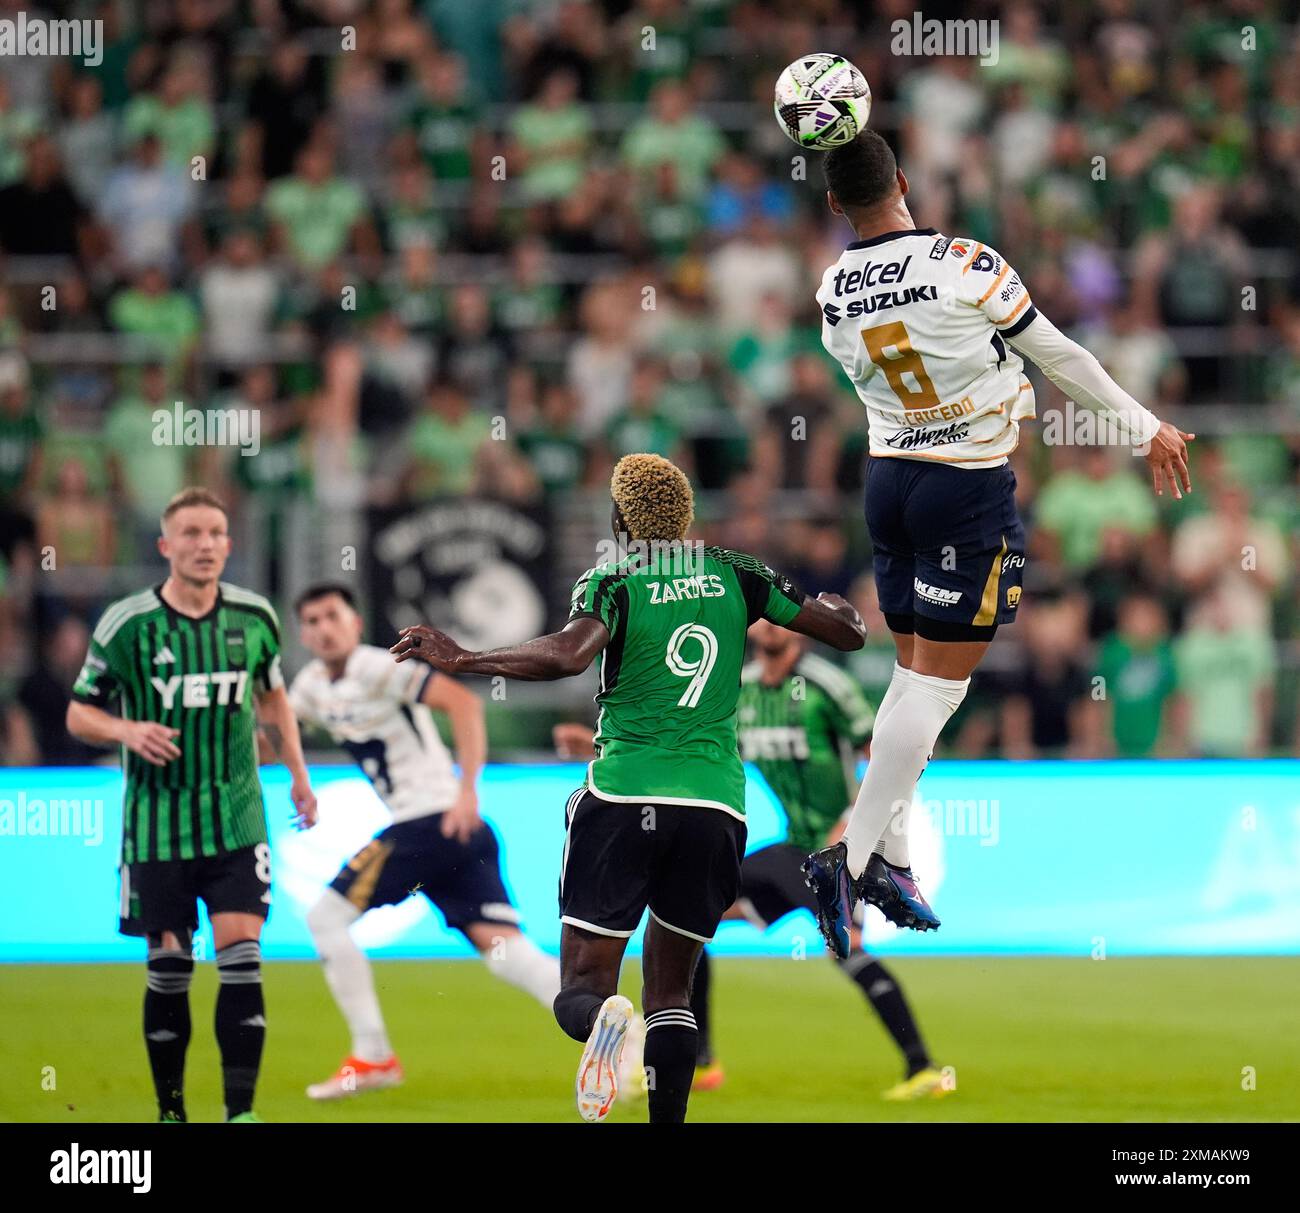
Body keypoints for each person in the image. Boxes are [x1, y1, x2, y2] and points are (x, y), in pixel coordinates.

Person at [802, 132, 1194, 957]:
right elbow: (1059, 355)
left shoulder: (833, 288)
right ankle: (850, 854)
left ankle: (893, 858)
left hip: (889, 487)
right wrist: (1145, 425)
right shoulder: (964, 262)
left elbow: (874, 385)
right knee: (938, 695)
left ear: (835, 204)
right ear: (904, 180)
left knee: (910, 680)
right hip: (964, 491)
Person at [389, 453, 866, 1123]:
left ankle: (606, 1018)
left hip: (623, 794)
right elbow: (844, 632)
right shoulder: (739, 572)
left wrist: (466, 658)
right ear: (687, 515)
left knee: (579, 989)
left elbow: (567, 654)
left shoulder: (614, 577)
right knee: (672, 988)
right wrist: (845, 609)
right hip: (715, 807)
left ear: (620, 518)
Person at [554, 617, 949, 1102]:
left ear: (796, 630)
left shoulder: (828, 686)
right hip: (792, 847)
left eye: (774, 620)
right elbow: (691, 742)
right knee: (690, 921)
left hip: (840, 847)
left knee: (848, 949)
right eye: (758, 621)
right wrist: (599, 747)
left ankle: (922, 1066)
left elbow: (886, 754)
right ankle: (701, 1061)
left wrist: (853, 827)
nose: (766, 628)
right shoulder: (738, 690)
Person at [66, 487, 317, 1123]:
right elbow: (79, 712)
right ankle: (172, 1111)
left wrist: (299, 775)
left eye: (214, 534)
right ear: (165, 547)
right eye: (190, 534)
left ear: (228, 545)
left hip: (237, 817)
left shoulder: (255, 617)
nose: (204, 545)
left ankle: (240, 1113)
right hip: (156, 826)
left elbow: (273, 699)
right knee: (171, 966)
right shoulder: (127, 626)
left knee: (241, 957)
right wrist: (126, 730)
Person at [284, 583, 562, 1100]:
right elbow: (278, 728)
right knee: (505, 952)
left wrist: (467, 791)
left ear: (356, 622)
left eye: (333, 616)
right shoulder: (311, 686)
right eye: (313, 620)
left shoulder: (378, 667)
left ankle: (373, 1054)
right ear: (302, 633)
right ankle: (612, 1024)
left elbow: (463, 705)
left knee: (325, 918)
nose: (324, 628)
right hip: (451, 836)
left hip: (430, 822)